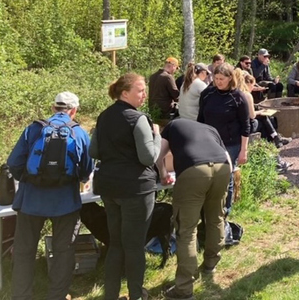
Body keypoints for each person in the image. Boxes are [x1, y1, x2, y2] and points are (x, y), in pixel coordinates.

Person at [7, 92, 93, 300]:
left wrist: (30, 180)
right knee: (64, 251)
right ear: (74, 111)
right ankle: (57, 295)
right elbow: (86, 170)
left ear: (53, 108)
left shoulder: (34, 129)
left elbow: (14, 163)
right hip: (65, 202)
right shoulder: (79, 132)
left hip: (31, 200)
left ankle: (22, 295)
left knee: (25, 249)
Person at [91, 73, 162, 300]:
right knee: (133, 246)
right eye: (140, 90)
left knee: (115, 244)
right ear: (125, 93)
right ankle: (135, 295)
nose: (144, 94)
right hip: (136, 190)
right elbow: (148, 157)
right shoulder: (138, 119)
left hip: (109, 188)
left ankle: (110, 295)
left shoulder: (103, 116)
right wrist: (157, 136)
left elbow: (93, 152)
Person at [156, 119, 232, 300]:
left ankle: (184, 288)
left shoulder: (172, 126)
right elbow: (227, 157)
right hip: (223, 168)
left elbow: (158, 154)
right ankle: (211, 264)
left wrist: (163, 173)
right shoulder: (211, 128)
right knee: (216, 218)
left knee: (187, 229)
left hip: (194, 171)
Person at [198, 63, 250, 216]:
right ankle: (209, 208)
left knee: (225, 177)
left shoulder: (238, 97)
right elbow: (200, 119)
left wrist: (243, 150)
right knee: (208, 176)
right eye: (216, 78)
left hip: (230, 144)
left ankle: (224, 211)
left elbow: (245, 125)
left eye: (222, 78)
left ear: (230, 78)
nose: (218, 81)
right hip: (208, 142)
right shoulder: (207, 94)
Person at [149, 57, 181, 125]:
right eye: (176, 68)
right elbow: (176, 95)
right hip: (165, 112)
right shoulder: (168, 77)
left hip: (152, 110)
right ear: (173, 66)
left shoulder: (152, 76)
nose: (175, 71)